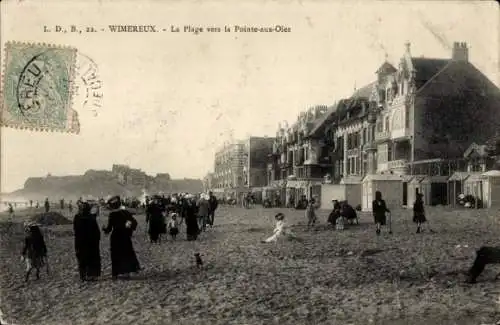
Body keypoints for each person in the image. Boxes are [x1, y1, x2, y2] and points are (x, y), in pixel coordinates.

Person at [102, 196, 141, 280]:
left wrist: (104, 229)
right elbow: (134, 222)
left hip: (116, 236)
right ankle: (127, 272)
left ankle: (116, 273)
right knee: (126, 253)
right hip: (125, 236)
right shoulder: (125, 212)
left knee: (116, 254)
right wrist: (129, 227)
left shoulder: (112, 214)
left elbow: (109, 229)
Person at [73, 201, 101, 281]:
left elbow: (75, 229)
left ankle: (83, 275)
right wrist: (97, 240)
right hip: (91, 241)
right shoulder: (92, 218)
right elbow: (96, 231)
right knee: (92, 258)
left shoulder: (77, 217)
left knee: (81, 258)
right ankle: (92, 275)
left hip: (80, 241)